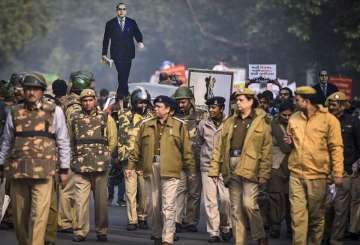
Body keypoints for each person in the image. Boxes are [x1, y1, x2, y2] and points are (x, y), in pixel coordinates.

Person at [0, 73, 71, 245]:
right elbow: (7, 142)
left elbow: (63, 141)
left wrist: (64, 169)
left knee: (39, 216)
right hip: (19, 173)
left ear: (42, 91)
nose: (31, 92)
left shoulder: (55, 111)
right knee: (19, 219)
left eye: (35, 89)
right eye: (28, 89)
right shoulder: (15, 113)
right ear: (23, 91)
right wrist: (1, 165)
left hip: (44, 173)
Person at [128, 95, 196, 245]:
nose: (155, 109)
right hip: (151, 168)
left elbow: (187, 151)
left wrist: (191, 171)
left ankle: (168, 238)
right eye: (155, 106)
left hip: (171, 169)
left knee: (168, 205)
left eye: (159, 106)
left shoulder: (179, 125)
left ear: (169, 110)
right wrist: (130, 166)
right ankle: (157, 234)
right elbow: (137, 148)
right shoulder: (146, 124)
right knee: (154, 205)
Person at [209, 88, 272, 245]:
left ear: (251, 101)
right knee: (236, 209)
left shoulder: (262, 121)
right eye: (237, 100)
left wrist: (264, 173)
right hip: (231, 164)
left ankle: (260, 236)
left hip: (251, 166)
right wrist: (214, 169)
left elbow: (266, 150)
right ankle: (239, 241)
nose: (238, 103)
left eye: (242, 100)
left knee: (249, 204)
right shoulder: (230, 120)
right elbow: (219, 146)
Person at [284, 86, 344, 245]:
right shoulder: (294, 118)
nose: (293, 101)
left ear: (307, 101)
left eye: (296, 99)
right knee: (297, 218)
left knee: (316, 219)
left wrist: (337, 174)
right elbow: (292, 144)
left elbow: (336, 148)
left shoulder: (329, 120)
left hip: (318, 176)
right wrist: (289, 143)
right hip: (296, 175)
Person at [69, 89, 117, 242]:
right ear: (81, 102)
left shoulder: (105, 117)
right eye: (84, 100)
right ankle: (80, 231)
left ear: (95, 100)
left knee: (101, 202)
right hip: (80, 166)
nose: (87, 103)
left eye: (90, 100)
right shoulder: (74, 118)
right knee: (80, 201)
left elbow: (113, 139)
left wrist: (107, 155)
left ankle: (102, 231)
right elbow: (70, 139)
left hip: (100, 166)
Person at [323, 92, 360, 244]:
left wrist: (356, 163)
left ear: (343, 105)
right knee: (325, 207)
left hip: (345, 171)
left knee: (340, 209)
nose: (332, 107)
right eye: (330, 104)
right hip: (326, 170)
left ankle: (336, 240)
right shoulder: (324, 122)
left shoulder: (353, 122)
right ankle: (323, 238)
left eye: (335, 104)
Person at [57, 71, 92, 234]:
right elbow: (74, 131)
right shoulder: (74, 107)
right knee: (68, 188)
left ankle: (68, 220)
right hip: (71, 151)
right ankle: (65, 222)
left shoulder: (68, 101)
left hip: (69, 150)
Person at [196, 96, 232, 243]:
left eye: (214, 107)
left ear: (222, 108)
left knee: (225, 200)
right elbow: (199, 142)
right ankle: (213, 232)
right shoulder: (203, 124)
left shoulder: (230, 123)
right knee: (210, 201)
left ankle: (226, 226)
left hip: (224, 167)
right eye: (209, 107)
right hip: (207, 166)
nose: (211, 110)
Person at [119, 87, 152, 231]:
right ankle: (132, 220)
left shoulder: (152, 117)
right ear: (133, 102)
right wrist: (121, 157)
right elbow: (121, 137)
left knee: (145, 193)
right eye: (139, 102)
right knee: (130, 192)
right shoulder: (124, 115)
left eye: (145, 102)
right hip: (128, 160)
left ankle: (142, 217)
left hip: (145, 161)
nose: (143, 105)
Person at [173, 86, 204, 233]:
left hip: (195, 160)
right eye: (178, 102)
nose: (180, 105)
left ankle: (191, 221)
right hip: (179, 161)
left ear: (191, 101)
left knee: (194, 193)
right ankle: (177, 220)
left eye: (183, 102)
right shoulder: (173, 117)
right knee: (179, 191)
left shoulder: (201, 116)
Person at [102, 2, 144, 100]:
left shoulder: (131, 22)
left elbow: (137, 33)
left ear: (126, 11)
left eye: (124, 9)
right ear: (117, 11)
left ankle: (122, 94)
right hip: (116, 54)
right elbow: (106, 39)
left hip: (128, 53)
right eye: (120, 9)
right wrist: (104, 54)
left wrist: (140, 41)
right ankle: (123, 95)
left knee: (125, 74)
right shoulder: (110, 23)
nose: (122, 11)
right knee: (121, 72)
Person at [267, 101, 294, 239]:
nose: (287, 118)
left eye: (290, 115)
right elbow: (285, 147)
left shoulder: (296, 124)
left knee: (291, 199)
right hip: (276, 165)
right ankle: (275, 227)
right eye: (284, 115)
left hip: (292, 166)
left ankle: (291, 228)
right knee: (275, 197)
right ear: (279, 114)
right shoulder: (273, 124)